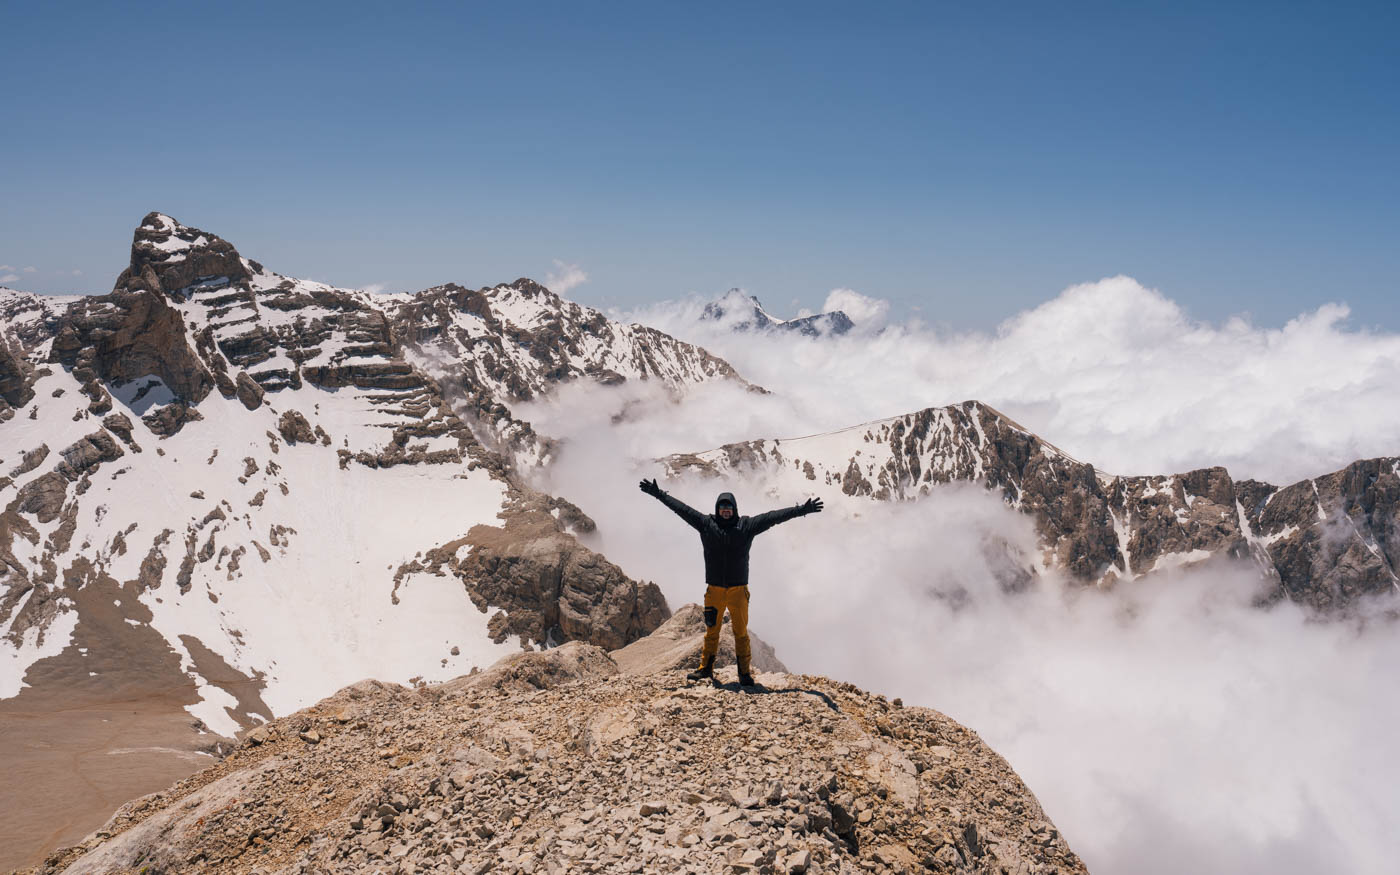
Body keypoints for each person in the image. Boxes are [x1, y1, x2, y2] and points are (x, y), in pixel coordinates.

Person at [639, 478, 823, 687]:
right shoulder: (706, 524)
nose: (725, 510)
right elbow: (682, 510)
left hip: (738, 590)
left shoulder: (746, 526)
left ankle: (744, 674)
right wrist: (658, 494)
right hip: (714, 590)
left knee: (740, 633)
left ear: (734, 509)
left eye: (729, 507)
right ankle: (705, 669)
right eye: (722, 507)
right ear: (717, 509)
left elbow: (774, 517)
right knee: (712, 631)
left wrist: (801, 510)